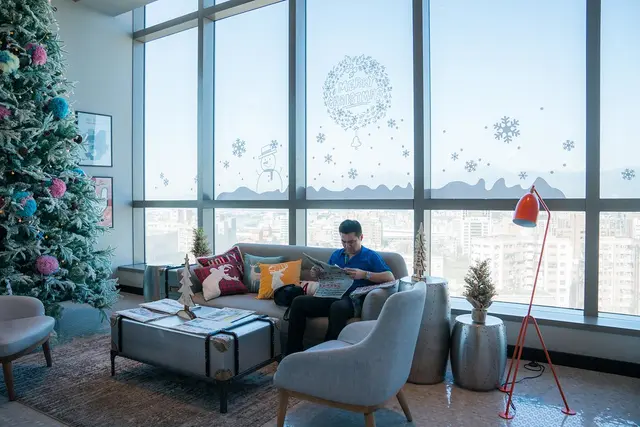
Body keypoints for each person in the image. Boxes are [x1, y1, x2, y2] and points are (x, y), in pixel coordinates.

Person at [285, 219, 395, 355]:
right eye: (344, 242)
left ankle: (326, 354)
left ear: (361, 237)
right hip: (332, 294)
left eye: (351, 242)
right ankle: (292, 353)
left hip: (352, 300)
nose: (347, 246)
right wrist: (318, 274)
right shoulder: (337, 255)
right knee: (299, 302)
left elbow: (390, 277)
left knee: (337, 307)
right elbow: (328, 276)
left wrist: (364, 274)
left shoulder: (370, 256)